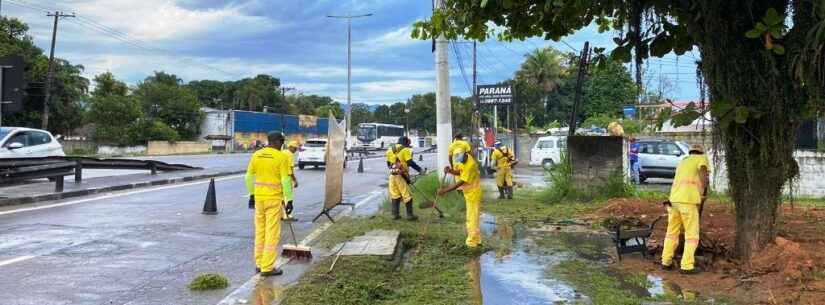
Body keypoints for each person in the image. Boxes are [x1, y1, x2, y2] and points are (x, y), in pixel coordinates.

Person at [245, 131, 292, 277]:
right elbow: (285, 180)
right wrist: (288, 199)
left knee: (260, 231)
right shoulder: (281, 157)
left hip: (259, 199)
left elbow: (248, 177)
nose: (282, 144)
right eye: (282, 141)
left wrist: (252, 194)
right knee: (272, 233)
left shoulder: (257, 155)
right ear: (277, 141)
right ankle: (267, 267)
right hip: (273, 200)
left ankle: (259, 263)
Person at [661, 144, 710, 275]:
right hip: (688, 202)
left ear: (690, 152)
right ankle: (687, 265)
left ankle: (666, 261)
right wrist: (704, 190)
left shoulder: (683, 161)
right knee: (692, 235)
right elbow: (703, 175)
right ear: (700, 152)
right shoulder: (702, 158)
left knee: (672, 233)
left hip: (674, 200)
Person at [438, 148, 483, 248]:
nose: (460, 161)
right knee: (473, 217)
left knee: (472, 219)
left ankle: (471, 243)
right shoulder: (465, 159)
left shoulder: (470, 165)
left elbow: (460, 182)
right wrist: (450, 171)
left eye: (461, 159)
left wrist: (444, 190)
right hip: (469, 193)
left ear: (465, 154)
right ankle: (477, 240)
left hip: (473, 194)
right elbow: (460, 172)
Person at [385, 136, 423, 220]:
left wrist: (395, 168)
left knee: (395, 194)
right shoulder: (405, 150)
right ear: (406, 143)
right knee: (407, 195)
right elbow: (410, 162)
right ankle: (410, 215)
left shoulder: (389, 150)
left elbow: (388, 164)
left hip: (392, 175)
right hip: (401, 176)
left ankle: (395, 214)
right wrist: (420, 170)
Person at [283, 141, 300, 220]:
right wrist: (295, 180)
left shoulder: (282, 152)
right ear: (290, 147)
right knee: (288, 197)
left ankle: (282, 215)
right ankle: (287, 215)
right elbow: (290, 170)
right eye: (294, 148)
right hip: (286, 178)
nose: (295, 150)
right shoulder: (289, 154)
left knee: (282, 197)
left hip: (279, 178)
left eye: (296, 148)